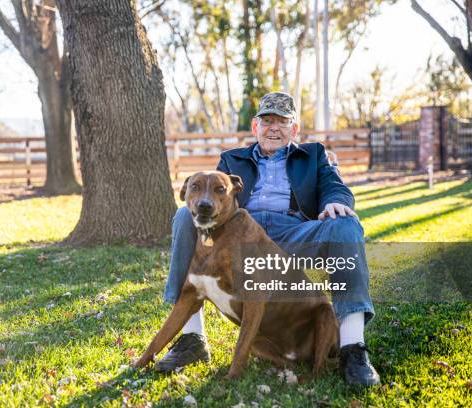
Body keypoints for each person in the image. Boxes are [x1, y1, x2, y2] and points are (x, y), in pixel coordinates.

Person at [157, 92, 380, 386]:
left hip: (292, 235)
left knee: (347, 225)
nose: (274, 127)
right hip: (242, 238)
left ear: (294, 129)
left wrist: (333, 202)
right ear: (255, 127)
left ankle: (353, 348)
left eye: (283, 121)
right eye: (267, 120)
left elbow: (334, 186)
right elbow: (211, 199)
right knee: (184, 216)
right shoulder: (231, 159)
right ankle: (191, 338)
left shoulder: (314, 156)